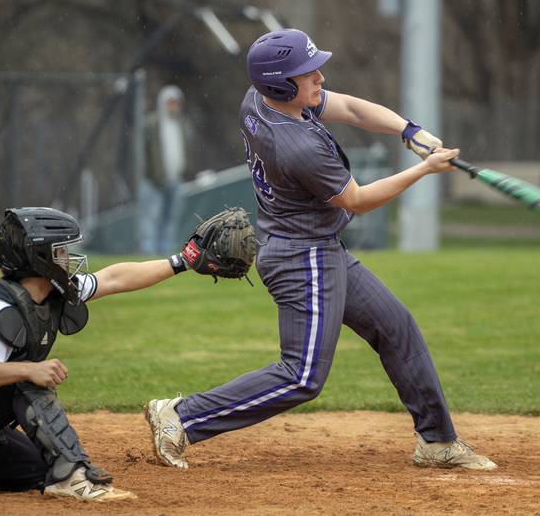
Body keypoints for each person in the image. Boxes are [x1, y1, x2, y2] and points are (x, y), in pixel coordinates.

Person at [144, 29, 497, 471]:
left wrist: (409, 130)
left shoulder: (261, 99)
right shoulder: (298, 146)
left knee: (396, 327)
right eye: (307, 74)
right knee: (302, 376)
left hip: (314, 245)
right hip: (302, 257)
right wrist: (424, 169)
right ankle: (182, 415)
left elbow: (348, 108)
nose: (320, 77)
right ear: (282, 85)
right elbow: (358, 201)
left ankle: (437, 441)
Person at [0, 207, 194, 501]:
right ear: (38, 257)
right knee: (23, 376)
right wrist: (28, 371)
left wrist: (183, 260)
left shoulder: (50, 292)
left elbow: (114, 278)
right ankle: (74, 475)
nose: (68, 258)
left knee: (39, 468)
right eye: (60, 251)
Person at [140, 85, 190, 254]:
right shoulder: (151, 124)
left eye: (176, 102)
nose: (173, 106)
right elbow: (143, 155)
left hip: (176, 179)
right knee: (153, 218)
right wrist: (152, 176)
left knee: (172, 218)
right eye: (170, 102)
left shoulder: (182, 124)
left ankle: (168, 255)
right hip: (153, 182)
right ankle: (149, 254)